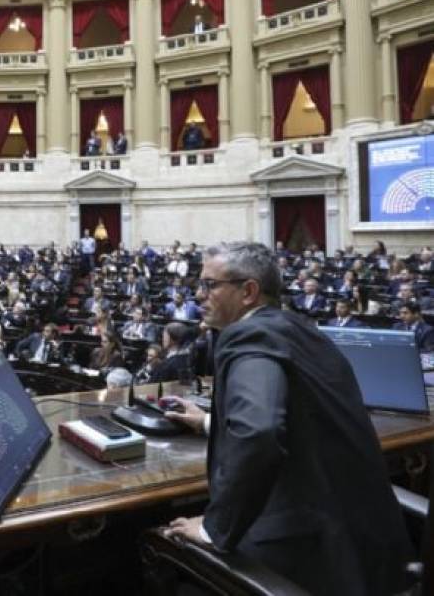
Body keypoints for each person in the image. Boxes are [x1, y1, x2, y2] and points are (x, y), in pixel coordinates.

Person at [164, 242, 411, 596]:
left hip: (313, 556)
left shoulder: (247, 335)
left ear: (248, 291)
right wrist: (208, 423)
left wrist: (214, 529)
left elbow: (260, 433)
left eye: (209, 285)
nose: (199, 295)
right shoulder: (298, 328)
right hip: (367, 546)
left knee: (163, 554)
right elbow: (298, 420)